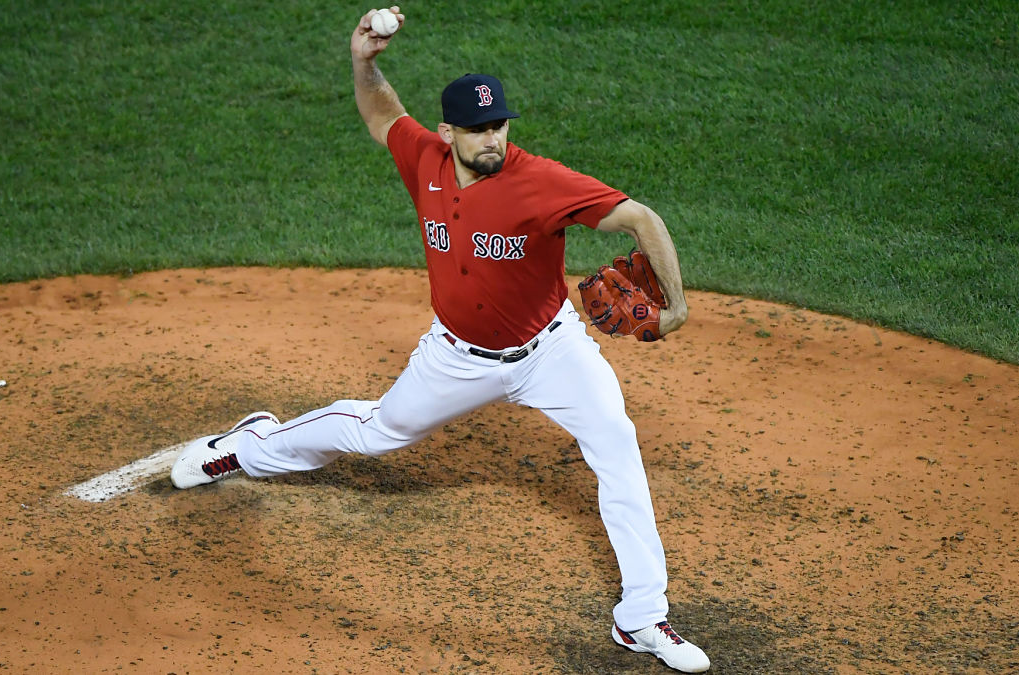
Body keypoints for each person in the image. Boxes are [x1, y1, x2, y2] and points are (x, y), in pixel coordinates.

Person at [171, 6, 711, 673]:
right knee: (376, 431)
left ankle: (642, 617)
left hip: (552, 350)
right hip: (455, 356)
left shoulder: (540, 181)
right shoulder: (424, 158)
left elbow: (640, 218)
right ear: (449, 130)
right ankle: (248, 445)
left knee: (616, 442)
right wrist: (363, 61)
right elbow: (381, 115)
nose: (493, 139)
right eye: (479, 129)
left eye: (500, 125)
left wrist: (677, 304)